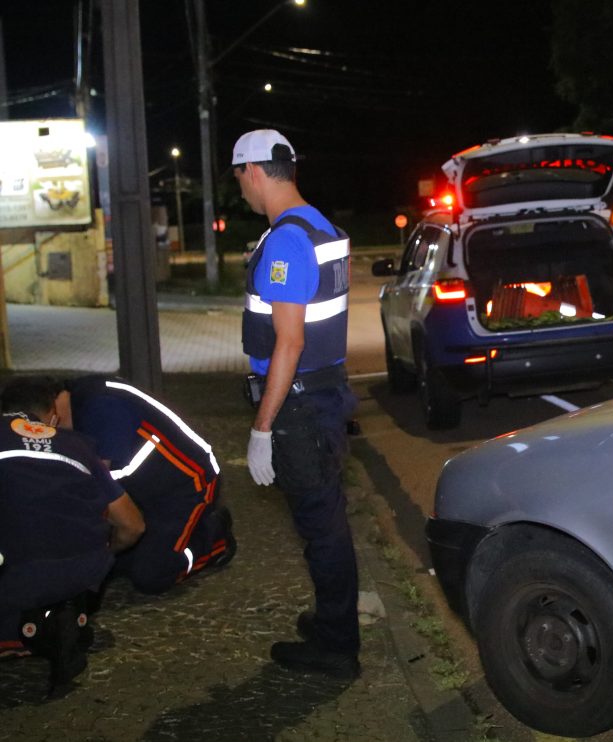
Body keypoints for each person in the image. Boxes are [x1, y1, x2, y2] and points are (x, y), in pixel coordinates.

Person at [232, 128, 360, 679]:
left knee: (321, 528)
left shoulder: (287, 239)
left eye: (238, 178)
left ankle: (336, 648)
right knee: (327, 521)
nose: (240, 190)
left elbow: (289, 340)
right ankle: (334, 622)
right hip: (324, 396)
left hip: (300, 407)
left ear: (254, 171)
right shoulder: (320, 226)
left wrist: (263, 428)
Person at [0, 376, 145, 695]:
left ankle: (26, 632)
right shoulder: (79, 446)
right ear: (52, 416)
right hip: (82, 571)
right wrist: (105, 553)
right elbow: (133, 525)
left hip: (17, 572)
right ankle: (61, 621)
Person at [59, 375, 234, 594]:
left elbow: (100, 494)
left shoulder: (101, 408)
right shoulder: (82, 399)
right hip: (146, 490)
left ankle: (214, 537)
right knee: (121, 564)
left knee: (153, 576)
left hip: (188, 487)